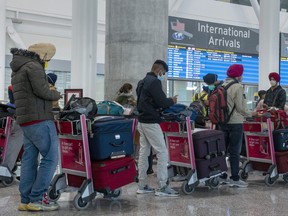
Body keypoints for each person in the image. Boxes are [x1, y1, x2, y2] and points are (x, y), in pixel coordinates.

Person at [10, 43, 61, 211]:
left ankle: (25, 200)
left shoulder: (18, 68)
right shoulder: (34, 66)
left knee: (29, 160)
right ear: (43, 55)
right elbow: (43, 92)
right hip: (40, 119)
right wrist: (56, 94)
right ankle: (37, 199)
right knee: (51, 158)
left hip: (26, 121)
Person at [136, 59, 178, 196]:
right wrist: (172, 100)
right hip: (151, 122)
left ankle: (141, 185)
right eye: (163, 73)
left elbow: (147, 101)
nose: (163, 75)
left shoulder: (142, 81)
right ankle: (162, 186)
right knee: (162, 152)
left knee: (144, 152)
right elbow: (162, 102)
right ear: (159, 70)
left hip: (141, 121)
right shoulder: (154, 81)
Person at [218, 64, 252, 188]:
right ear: (239, 74)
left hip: (222, 122)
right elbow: (241, 108)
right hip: (235, 123)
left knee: (222, 150)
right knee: (234, 151)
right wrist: (251, 113)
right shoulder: (237, 87)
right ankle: (235, 178)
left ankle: (222, 175)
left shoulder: (221, 85)